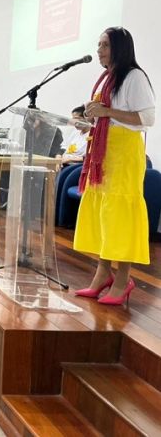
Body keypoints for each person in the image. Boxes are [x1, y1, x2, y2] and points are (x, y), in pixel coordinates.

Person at [73, 27, 155, 305]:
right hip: (104, 152)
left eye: (105, 45)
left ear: (120, 47)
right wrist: (89, 121)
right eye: (98, 45)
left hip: (124, 154)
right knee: (104, 216)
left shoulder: (134, 76)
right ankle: (102, 274)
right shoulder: (107, 78)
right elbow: (107, 117)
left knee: (120, 216)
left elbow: (147, 118)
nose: (99, 50)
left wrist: (106, 112)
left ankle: (123, 280)